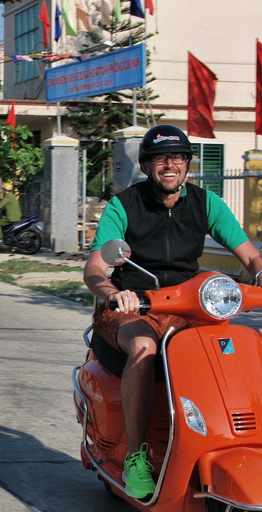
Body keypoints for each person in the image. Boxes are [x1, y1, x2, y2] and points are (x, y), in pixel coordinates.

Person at [83, 124, 262, 500]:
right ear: (147, 165)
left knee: (230, 349)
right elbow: (95, 268)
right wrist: (114, 293)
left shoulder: (206, 202)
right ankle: (136, 457)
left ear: (187, 164)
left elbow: (248, 254)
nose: (170, 165)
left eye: (178, 157)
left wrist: (260, 273)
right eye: (161, 158)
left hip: (188, 305)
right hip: (133, 307)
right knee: (145, 348)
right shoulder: (124, 205)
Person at [0, 180, 21, 245]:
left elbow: (0, 204)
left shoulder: (8, 196)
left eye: (3, 189)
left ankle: (0, 239)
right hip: (16, 216)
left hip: (11, 217)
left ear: (5, 190)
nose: (2, 190)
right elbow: (8, 206)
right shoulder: (12, 195)